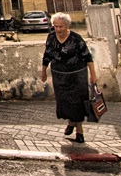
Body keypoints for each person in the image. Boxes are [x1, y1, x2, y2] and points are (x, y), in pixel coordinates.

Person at [40, 12, 98, 143]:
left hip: (77, 75)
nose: (58, 29)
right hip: (59, 76)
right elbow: (47, 55)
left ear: (67, 26)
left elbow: (87, 56)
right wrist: (43, 71)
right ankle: (71, 123)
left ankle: (80, 133)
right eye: (56, 26)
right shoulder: (51, 38)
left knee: (77, 103)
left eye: (61, 26)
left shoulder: (76, 38)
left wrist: (93, 75)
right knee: (65, 102)